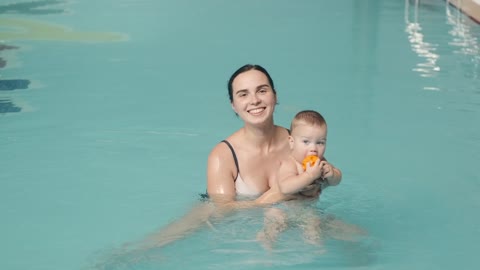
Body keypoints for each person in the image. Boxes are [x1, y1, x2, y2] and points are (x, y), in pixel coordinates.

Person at [207, 64, 339, 204]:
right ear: (233, 105)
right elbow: (221, 213)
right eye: (243, 94)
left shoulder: (302, 142)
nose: (255, 100)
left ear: (275, 96)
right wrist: (276, 195)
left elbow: (325, 181)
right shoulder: (222, 156)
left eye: (262, 91)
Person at [256, 110, 341, 249]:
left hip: (306, 210)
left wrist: (332, 174)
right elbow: (285, 187)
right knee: (276, 223)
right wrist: (309, 176)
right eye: (306, 142)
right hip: (281, 208)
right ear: (291, 142)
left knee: (314, 226)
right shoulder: (290, 163)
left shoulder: (321, 163)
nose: (313, 149)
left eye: (320, 142)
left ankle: (315, 250)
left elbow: (337, 180)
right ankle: (266, 240)